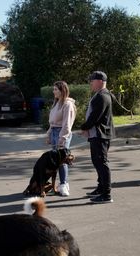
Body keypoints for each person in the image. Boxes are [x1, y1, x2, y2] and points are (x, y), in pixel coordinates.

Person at [80, 71, 115, 204]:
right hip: (97, 135)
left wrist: (84, 127)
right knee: (97, 162)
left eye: (92, 80)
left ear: (100, 81)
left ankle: (106, 194)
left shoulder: (102, 96)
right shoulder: (101, 95)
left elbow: (95, 116)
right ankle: (101, 188)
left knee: (102, 163)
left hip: (100, 135)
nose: (91, 83)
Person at [46, 81, 76, 196]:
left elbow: (67, 124)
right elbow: (52, 122)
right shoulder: (56, 103)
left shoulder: (68, 104)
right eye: (53, 89)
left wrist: (62, 139)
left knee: (62, 160)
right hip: (54, 132)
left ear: (62, 91)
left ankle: (64, 185)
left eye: (56, 89)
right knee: (55, 160)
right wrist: (48, 134)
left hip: (62, 134)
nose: (53, 91)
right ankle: (58, 184)